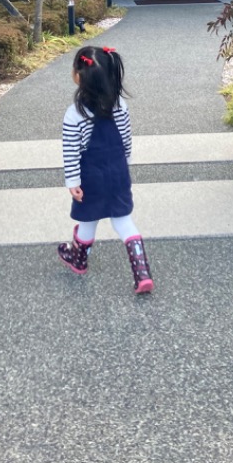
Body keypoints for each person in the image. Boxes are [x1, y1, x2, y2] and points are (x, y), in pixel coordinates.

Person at [57, 44, 153, 294]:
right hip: (117, 171)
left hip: (91, 177)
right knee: (123, 220)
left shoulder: (75, 113)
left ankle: (78, 259)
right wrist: (126, 163)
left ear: (79, 76)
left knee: (89, 219)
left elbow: (71, 151)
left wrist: (73, 181)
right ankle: (142, 271)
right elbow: (126, 138)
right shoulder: (119, 104)